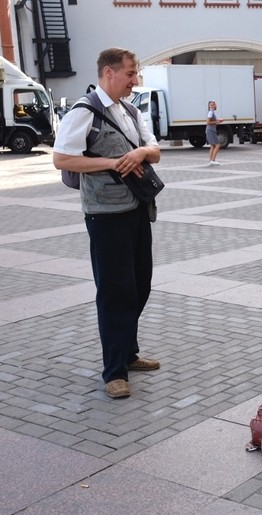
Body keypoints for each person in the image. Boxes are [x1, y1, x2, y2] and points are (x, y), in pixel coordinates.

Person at [52, 47, 161, 399]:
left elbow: (154, 148)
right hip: (104, 214)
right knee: (115, 291)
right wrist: (112, 163)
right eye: (130, 74)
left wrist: (141, 153)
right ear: (108, 73)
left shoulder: (130, 109)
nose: (135, 80)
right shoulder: (84, 111)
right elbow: (61, 159)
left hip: (137, 209)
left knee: (140, 284)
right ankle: (114, 370)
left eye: (135, 74)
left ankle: (128, 352)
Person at [206, 100, 223, 165]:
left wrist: (218, 120)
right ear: (209, 106)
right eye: (211, 105)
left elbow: (211, 120)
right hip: (211, 130)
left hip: (210, 130)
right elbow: (208, 122)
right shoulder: (211, 112)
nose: (213, 106)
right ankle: (213, 160)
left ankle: (211, 160)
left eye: (214, 104)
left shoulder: (211, 112)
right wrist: (217, 122)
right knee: (217, 145)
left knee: (213, 146)